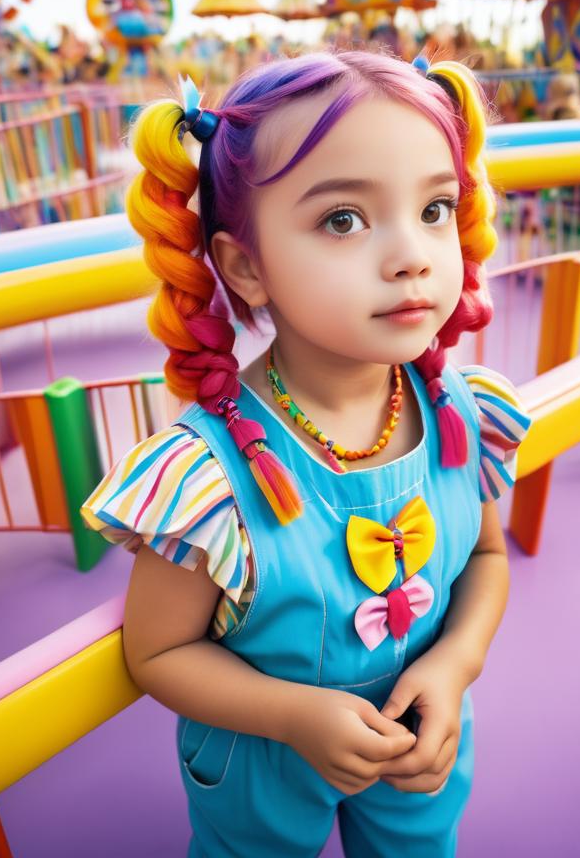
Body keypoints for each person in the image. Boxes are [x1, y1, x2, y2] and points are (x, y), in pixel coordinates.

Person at [81, 50, 531, 858]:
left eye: (434, 208)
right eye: (344, 220)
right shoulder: (208, 474)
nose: (413, 254)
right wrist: (294, 715)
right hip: (261, 755)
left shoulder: (459, 408)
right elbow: (158, 650)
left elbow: (488, 557)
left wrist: (455, 665)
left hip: (421, 736)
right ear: (247, 268)